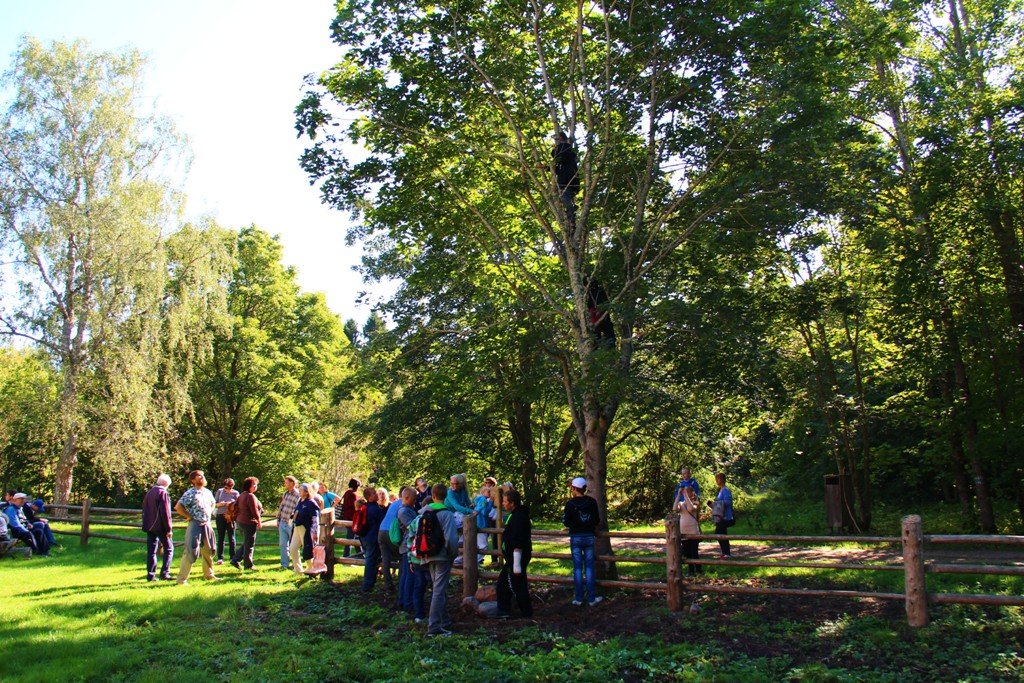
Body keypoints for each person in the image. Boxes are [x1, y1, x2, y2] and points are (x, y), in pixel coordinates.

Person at [420, 483, 459, 636]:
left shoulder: (423, 512)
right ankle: (434, 626)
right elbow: (451, 538)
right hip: (442, 555)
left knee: (437, 588)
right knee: (439, 590)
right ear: (446, 496)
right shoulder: (447, 514)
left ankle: (444, 620)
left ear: (433, 496)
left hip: (427, 554)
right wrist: (452, 553)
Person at [174, 470, 219, 584]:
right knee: (191, 551)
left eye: (203, 475)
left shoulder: (207, 492)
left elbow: (213, 504)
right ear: (193, 480)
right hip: (195, 524)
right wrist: (189, 516)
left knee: (209, 550)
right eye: (199, 476)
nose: (202, 477)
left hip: (207, 523)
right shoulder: (191, 493)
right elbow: (178, 507)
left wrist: (209, 513)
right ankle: (182, 579)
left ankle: (209, 574)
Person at [563, 476, 601, 606]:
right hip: (589, 536)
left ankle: (579, 598)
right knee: (589, 567)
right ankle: (591, 598)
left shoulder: (570, 504)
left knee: (578, 569)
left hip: (575, 537)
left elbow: (566, 521)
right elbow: (596, 520)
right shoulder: (591, 502)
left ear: (574, 488)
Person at [496, 489, 533, 618]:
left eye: (505, 502)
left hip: (516, 557)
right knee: (505, 583)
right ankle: (505, 609)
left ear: (512, 503)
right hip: (512, 557)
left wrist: (516, 561)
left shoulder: (518, 517)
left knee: (516, 584)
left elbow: (518, 540)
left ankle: (525, 611)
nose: (503, 504)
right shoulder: (515, 515)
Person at [142, 474, 174, 581]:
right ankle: (165, 573)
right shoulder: (163, 493)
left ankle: (150, 575)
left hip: (149, 526)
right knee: (169, 549)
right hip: (160, 526)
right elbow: (166, 513)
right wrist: (169, 529)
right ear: (167, 484)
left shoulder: (149, 492)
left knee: (151, 551)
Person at [230, 477, 264, 570]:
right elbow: (254, 511)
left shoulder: (242, 495)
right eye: (253, 484)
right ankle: (248, 565)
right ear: (248, 486)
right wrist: (259, 521)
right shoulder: (250, 496)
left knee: (247, 542)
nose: (255, 486)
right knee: (249, 544)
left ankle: (235, 559)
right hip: (248, 522)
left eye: (256, 485)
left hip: (241, 522)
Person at [357, 486, 386, 592]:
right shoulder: (374, 508)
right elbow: (382, 520)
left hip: (364, 537)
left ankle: (371, 582)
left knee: (372, 560)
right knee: (370, 560)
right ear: (369, 497)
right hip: (372, 538)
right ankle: (367, 584)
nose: (377, 495)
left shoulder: (365, 507)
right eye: (374, 493)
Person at [396, 487, 419, 613]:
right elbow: (412, 527)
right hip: (407, 546)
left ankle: (403, 600)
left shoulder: (408, 509)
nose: (415, 501)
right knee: (408, 575)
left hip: (408, 546)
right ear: (406, 498)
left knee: (406, 575)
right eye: (413, 499)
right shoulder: (404, 511)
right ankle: (407, 602)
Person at [378, 486, 405, 593]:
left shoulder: (393, 504)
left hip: (382, 530)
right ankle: (402, 583)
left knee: (385, 558)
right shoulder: (403, 505)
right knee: (402, 556)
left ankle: (388, 584)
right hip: (392, 532)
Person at [445, 473, 476, 566]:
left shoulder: (463, 491)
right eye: (452, 484)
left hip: (459, 514)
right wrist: (471, 511)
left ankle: (463, 549)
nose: (453, 486)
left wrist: (472, 507)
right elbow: (457, 507)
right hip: (452, 515)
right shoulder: (450, 493)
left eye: (456, 484)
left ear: (461, 484)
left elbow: (467, 502)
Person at [289, 483, 320, 574]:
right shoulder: (300, 501)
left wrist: (313, 531)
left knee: (307, 549)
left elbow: (315, 517)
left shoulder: (311, 503)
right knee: (293, 548)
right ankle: (298, 570)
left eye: (301, 490)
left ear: (307, 492)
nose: (299, 491)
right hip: (297, 527)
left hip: (306, 528)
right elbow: (297, 511)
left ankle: (311, 569)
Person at [552, 130, 580, 226]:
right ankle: (570, 221)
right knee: (566, 200)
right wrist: (546, 167)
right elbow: (559, 169)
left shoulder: (564, 149)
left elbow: (557, 156)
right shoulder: (569, 154)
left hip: (567, 181)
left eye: (556, 140)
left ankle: (571, 221)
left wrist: (556, 148)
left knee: (566, 200)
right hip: (569, 180)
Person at [677, 485, 702, 577]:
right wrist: (679, 495)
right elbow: (675, 508)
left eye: (688, 492)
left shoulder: (696, 503)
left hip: (693, 532)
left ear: (692, 493)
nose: (686, 493)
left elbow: (691, 508)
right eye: (685, 492)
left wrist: (686, 495)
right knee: (687, 553)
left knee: (694, 552)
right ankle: (691, 570)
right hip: (683, 532)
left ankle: (698, 570)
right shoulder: (681, 503)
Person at [707, 472, 734, 559]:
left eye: (718, 479)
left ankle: (726, 553)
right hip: (721, 517)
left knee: (719, 533)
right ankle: (725, 553)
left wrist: (716, 503)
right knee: (722, 533)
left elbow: (727, 502)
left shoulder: (725, 490)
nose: (717, 481)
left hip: (726, 517)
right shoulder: (721, 490)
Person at [276, 475, 301, 569]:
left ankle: (296, 565)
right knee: (282, 544)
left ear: (292, 483)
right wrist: (278, 519)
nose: (284, 484)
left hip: (291, 523)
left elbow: (297, 509)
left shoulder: (298, 494)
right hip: (283, 521)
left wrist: (293, 520)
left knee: (294, 545)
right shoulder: (285, 494)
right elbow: (281, 506)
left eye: (286, 482)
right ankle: (284, 564)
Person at [213, 478, 239, 565]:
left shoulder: (235, 493)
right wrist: (220, 504)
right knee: (221, 537)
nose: (228, 490)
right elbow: (214, 504)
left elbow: (238, 506)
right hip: (220, 516)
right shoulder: (220, 492)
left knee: (231, 537)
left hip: (230, 517)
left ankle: (233, 557)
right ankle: (220, 557)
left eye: (230, 488)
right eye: (226, 488)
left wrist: (231, 504)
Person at [473, 485, 494, 565]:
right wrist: (491, 503)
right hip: (481, 523)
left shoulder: (478, 500)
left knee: (477, 545)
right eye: (488, 492)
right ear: (483, 492)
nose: (490, 493)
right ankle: (475, 561)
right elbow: (484, 511)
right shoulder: (483, 500)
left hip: (477, 523)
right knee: (484, 546)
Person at [340, 478, 360, 557]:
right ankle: (346, 555)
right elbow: (356, 507)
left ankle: (360, 554)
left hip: (346, 517)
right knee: (350, 538)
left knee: (356, 536)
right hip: (352, 518)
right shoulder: (353, 494)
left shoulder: (347, 493)